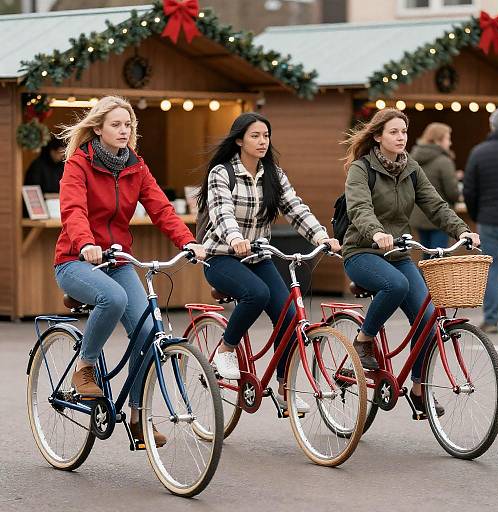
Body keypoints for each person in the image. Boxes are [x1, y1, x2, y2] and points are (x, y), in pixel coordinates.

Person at [54, 96, 205, 447]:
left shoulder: (136, 167)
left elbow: (161, 209)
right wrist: (85, 243)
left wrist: (187, 241)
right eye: (116, 125)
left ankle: (139, 416)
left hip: (118, 259)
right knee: (114, 297)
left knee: (148, 331)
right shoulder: (79, 164)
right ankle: (85, 365)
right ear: (98, 129)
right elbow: (73, 210)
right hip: (75, 260)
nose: (124, 131)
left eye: (128, 125)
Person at [197, 112, 340, 412]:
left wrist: (321, 237)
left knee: (289, 316)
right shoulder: (222, 173)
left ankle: (285, 386)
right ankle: (226, 347)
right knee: (256, 293)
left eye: (266, 136)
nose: (262, 142)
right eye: (255, 136)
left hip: (258, 255)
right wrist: (235, 239)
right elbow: (221, 212)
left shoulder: (274, 174)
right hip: (221, 256)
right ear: (239, 140)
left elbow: (295, 208)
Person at [342, 108, 479, 417]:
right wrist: (376, 233)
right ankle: (364, 340)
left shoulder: (411, 168)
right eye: (393, 132)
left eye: (403, 131)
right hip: (361, 252)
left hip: (398, 253)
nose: (400, 136)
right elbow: (360, 207)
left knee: (428, 318)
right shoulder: (361, 169)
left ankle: (418, 390)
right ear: (378, 137)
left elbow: (435, 204)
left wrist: (462, 230)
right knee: (396, 284)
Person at [463, 107, 498, 334]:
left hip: (489, 220)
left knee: (490, 272)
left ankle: (491, 320)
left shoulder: (479, 152)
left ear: (492, 126)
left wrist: (476, 215)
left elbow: (470, 190)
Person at [409, 123, 460, 254]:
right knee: (439, 258)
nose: (450, 143)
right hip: (440, 217)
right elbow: (453, 192)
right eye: (448, 138)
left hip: (419, 214)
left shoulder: (413, 158)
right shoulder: (444, 161)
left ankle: (422, 276)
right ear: (438, 140)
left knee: (426, 255)